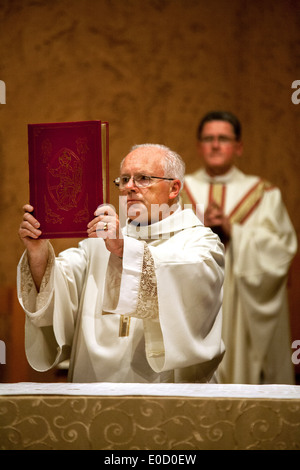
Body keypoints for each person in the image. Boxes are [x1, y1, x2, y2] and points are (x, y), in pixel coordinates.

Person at [17, 143, 225, 383]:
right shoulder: (98, 243)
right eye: (124, 179)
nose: (129, 188)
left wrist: (124, 250)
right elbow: (54, 289)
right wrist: (38, 251)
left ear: (174, 188)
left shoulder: (201, 243)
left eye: (143, 178)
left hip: (165, 395)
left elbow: (185, 278)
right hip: (95, 386)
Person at [181, 111, 298, 384]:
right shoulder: (178, 191)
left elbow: (282, 250)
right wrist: (198, 225)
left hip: (242, 310)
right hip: (192, 303)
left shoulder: (264, 193)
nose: (215, 145)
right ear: (199, 146)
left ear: (239, 147)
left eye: (223, 138)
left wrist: (235, 231)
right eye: (208, 139)